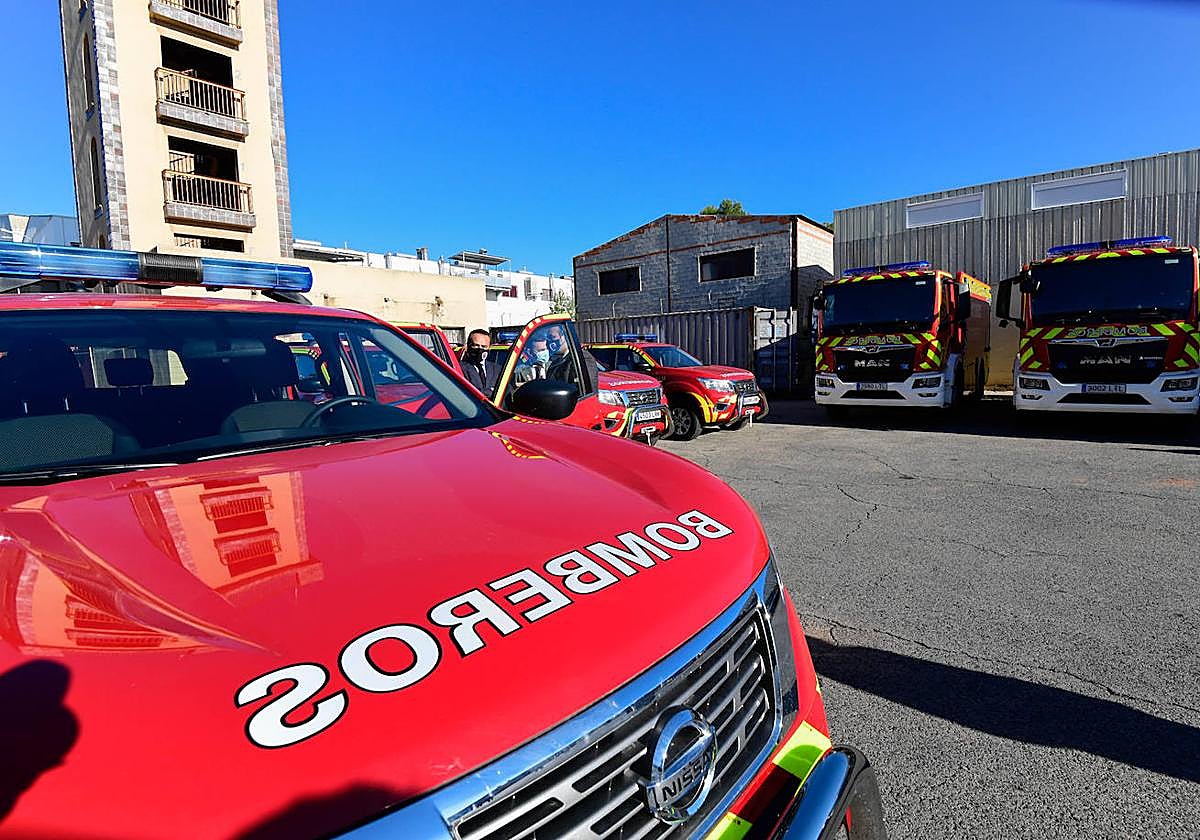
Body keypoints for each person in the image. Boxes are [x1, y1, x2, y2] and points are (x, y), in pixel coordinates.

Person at [461, 329, 500, 394]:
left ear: (489, 348)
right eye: (476, 345)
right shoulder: (459, 368)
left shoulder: (497, 369)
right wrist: (490, 392)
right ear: (468, 346)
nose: (480, 349)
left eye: (484, 346)